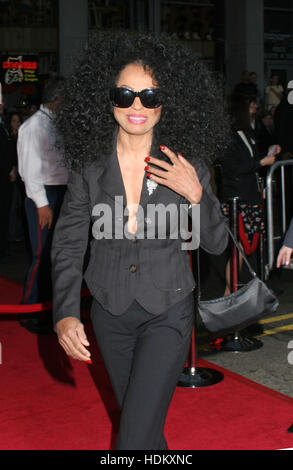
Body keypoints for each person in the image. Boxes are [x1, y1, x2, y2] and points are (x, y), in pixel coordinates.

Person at [51, 31, 230, 450]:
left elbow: (217, 244)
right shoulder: (89, 167)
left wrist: (196, 196)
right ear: (107, 98)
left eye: (150, 96)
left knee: (132, 437)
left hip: (167, 311)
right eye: (126, 94)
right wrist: (64, 312)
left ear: (166, 102)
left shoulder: (185, 164)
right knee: (143, 427)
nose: (137, 106)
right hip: (110, 312)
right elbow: (69, 243)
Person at [17, 76, 68, 334]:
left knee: (57, 255)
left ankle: (49, 308)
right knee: (41, 255)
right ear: (58, 98)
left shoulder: (55, 124)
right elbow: (29, 170)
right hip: (43, 196)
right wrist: (41, 204)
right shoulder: (33, 126)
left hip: (60, 193)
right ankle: (29, 311)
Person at [219, 96, 281, 295]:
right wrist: (260, 164)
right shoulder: (228, 137)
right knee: (238, 250)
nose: (255, 110)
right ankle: (229, 293)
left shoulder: (247, 133)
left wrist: (268, 153)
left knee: (244, 251)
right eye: (251, 107)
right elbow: (233, 167)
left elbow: (252, 158)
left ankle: (234, 293)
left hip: (250, 197)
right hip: (237, 200)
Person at [0, 97, 17, 260]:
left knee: (5, 212)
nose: (3, 104)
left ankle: (4, 246)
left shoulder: (2, 124)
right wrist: (8, 169)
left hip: (5, 178)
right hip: (2, 176)